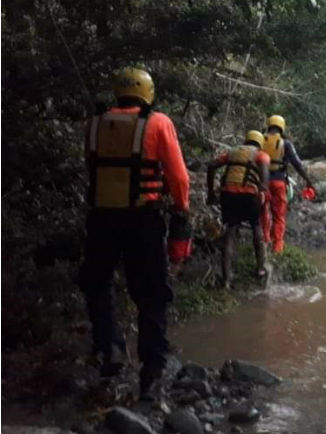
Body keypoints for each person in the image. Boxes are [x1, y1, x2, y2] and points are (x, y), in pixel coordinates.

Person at [78, 67, 191, 400]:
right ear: (148, 91)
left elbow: (92, 165)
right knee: (152, 294)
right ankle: (151, 374)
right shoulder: (157, 123)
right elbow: (179, 178)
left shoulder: (95, 123)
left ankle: (109, 346)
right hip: (142, 220)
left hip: (101, 219)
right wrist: (182, 209)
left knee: (96, 283)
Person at [206, 131, 270, 289]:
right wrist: (262, 193)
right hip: (249, 196)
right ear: (260, 143)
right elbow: (265, 181)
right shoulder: (261, 156)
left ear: (246, 141)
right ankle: (261, 268)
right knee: (256, 227)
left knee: (231, 231)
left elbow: (212, 165)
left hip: (227, 195)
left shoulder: (232, 152)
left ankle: (227, 279)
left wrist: (211, 192)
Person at [261, 115, 314, 254]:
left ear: (269, 125)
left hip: (262, 184)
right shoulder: (286, 143)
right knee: (279, 216)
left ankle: (265, 243)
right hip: (279, 183)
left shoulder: (260, 141)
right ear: (282, 127)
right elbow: (297, 165)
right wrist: (309, 182)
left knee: (264, 212)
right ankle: (277, 248)